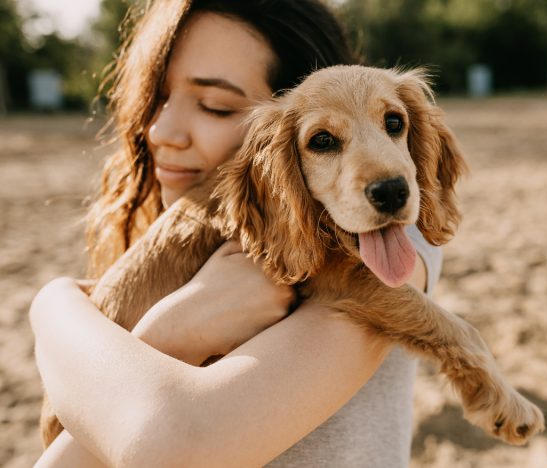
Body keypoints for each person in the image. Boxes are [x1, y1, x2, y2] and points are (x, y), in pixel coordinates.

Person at [29, 0, 442, 466]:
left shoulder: (385, 244)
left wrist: (57, 312)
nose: (161, 130)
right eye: (156, 98)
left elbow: (175, 449)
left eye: (215, 106)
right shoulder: (168, 250)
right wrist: (166, 331)